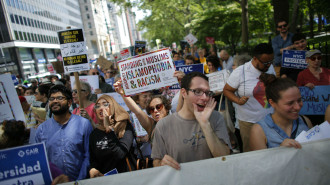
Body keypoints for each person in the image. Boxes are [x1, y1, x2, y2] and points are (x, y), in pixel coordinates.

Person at [152, 72, 230, 170]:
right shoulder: (163, 125)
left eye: (208, 93)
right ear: (184, 93)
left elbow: (225, 158)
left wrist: (205, 124)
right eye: (197, 91)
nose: (204, 98)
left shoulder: (217, 118)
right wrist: (162, 164)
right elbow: (156, 162)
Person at [223, 43, 275, 152]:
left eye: (271, 62)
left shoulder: (270, 68)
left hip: (270, 119)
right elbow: (227, 90)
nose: (268, 65)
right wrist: (238, 100)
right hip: (248, 122)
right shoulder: (240, 72)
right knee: (251, 153)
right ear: (255, 59)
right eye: (265, 63)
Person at [35, 85, 93, 180]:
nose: (55, 101)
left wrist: (79, 180)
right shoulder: (41, 130)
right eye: (52, 99)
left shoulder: (83, 124)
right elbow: (41, 160)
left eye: (60, 98)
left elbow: (88, 155)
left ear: (69, 102)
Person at [250, 74, 313, 150]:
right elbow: (261, 161)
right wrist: (280, 151)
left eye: (299, 100)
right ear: (272, 103)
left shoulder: (305, 121)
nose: (297, 107)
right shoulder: (259, 131)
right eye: (290, 103)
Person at [89, 95, 135, 177]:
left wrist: (109, 129)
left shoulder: (124, 125)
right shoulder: (95, 133)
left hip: (126, 178)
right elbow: (94, 160)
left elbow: (120, 154)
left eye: (105, 104)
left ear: (113, 107)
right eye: (97, 106)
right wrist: (92, 169)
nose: (101, 108)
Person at [296, 49, 330, 125]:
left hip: (328, 110)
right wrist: (305, 88)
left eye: (319, 58)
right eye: (313, 58)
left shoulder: (328, 72)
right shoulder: (302, 74)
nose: (316, 60)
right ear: (307, 60)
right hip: (312, 113)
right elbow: (298, 92)